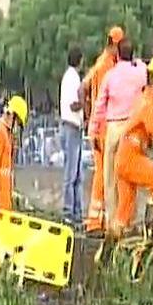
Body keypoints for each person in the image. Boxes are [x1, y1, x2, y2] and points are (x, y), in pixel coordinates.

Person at [97, 57, 153, 263]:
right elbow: (151, 127)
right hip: (130, 155)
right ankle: (150, 234)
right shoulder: (147, 101)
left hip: (125, 156)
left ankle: (105, 253)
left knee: (124, 213)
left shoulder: (144, 98)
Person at [88, 38, 147, 232]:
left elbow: (99, 106)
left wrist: (93, 131)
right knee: (132, 176)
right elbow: (144, 69)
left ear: (118, 55)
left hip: (113, 128)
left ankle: (113, 221)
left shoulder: (110, 76)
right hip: (132, 128)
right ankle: (130, 220)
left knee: (110, 177)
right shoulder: (140, 72)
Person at [78, 26, 124, 234]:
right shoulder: (107, 66)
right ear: (114, 44)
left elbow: (84, 88)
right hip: (103, 127)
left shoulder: (101, 63)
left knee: (105, 173)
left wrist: (88, 118)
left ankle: (100, 218)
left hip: (99, 126)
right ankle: (95, 221)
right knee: (103, 174)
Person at [0, 95, 28, 214]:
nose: (17, 127)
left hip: (4, 201)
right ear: (12, 115)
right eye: (18, 122)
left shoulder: (6, 134)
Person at [59, 46, 85, 225]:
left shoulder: (68, 77)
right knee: (72, 173)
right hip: (71, 127)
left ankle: (75, 212)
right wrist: (85, 101)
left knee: (76, 173)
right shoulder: (73, 78)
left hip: (71, 127)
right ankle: (70, 211)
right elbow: (73, 105)